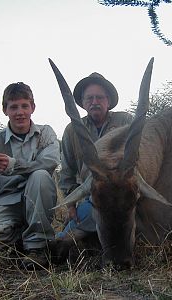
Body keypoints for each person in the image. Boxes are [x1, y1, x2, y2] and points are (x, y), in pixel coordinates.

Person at [0, 82, 60, 269]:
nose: (19, 112)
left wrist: (14, 165)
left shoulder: (45, 133)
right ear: (5, 110)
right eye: (13, 107)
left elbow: (50, 162)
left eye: (24, 106)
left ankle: (38, 248)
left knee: (40, 176)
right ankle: (22, 237)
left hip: (37, 198)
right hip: (5, 202)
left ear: (32, 108)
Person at [57, 72, 133, 240]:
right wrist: (70, 205)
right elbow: (67, 174)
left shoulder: (126, 121)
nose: (94, 102)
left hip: (122, 197)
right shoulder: (72, 131)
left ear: (108, 101)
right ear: (83, 103)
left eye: (100, 97)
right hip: (92, 199)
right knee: (65, 239)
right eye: (89, 98)